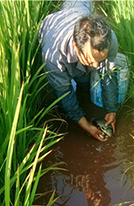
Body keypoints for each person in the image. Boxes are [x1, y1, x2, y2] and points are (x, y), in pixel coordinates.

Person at [38, 2, 119, 141]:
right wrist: (86, 126)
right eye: (90, 59)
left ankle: (83, 84)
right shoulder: (52, 56)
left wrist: (111, 110)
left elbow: (108, 74)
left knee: (85, 80)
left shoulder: (109, 39)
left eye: (100, 60)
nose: (96, 65)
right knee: (63, 91)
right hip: (52, 27)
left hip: (78, 12)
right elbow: (64, 92)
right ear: (76, 46)